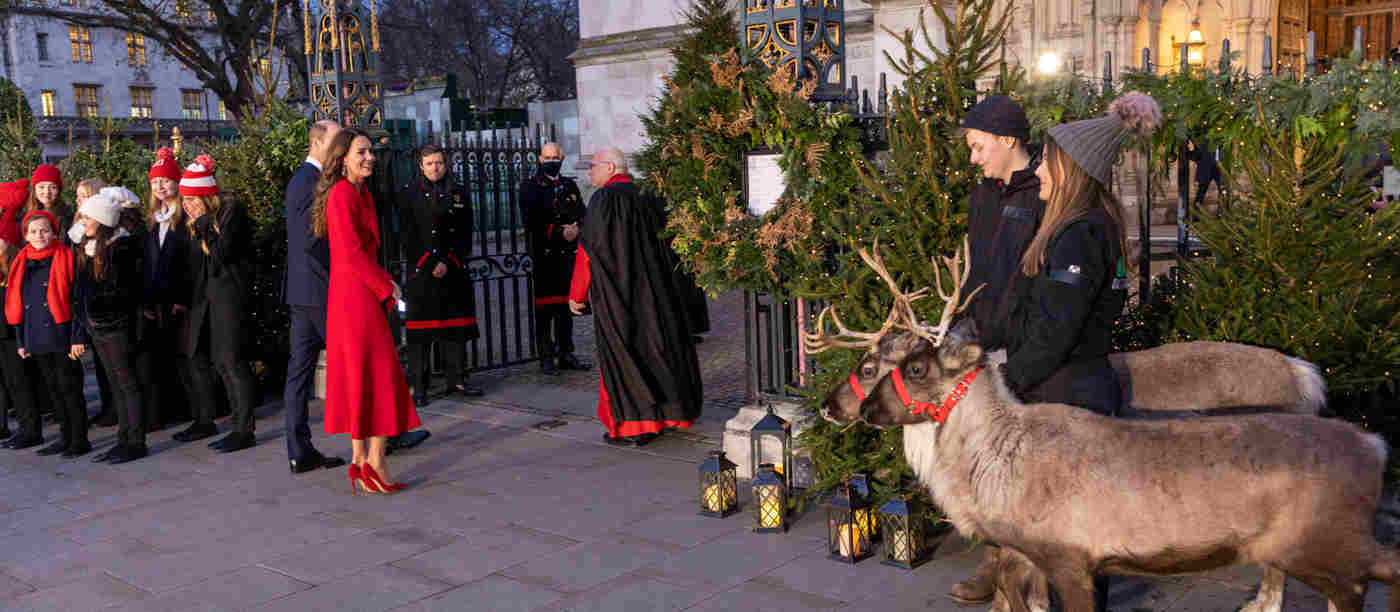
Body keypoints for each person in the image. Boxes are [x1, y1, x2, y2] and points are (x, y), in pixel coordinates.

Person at [999, 94, 1157, 416]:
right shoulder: (1090, 226)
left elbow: (1056, 329)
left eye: (1046, 161)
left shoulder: (1079, 236)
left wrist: (1005, 383)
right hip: (1068, 392)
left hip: (1066, 401)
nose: (1038, 170)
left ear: (1070, 169)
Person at [947, 94, 1043, 605]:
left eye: (978, 145)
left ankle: (1016, 567)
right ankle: (993, 555)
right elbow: (977, 267)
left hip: (1023, 346)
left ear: (1008, 140)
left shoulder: (1044, 192)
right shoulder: (983, 194)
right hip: (980, 339)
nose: (974, 157)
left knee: (1017, 466)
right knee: (983, 457)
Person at [568, 147, 702, 447]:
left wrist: (577, 295)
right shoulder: (648, 195)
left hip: (620, 295)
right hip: (658, 293)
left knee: (625, 355)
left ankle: (635, 424)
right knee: (659, 351)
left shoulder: (603, 200)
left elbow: (589, 253)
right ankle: (669, 415)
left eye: (594, 166)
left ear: (611, 167)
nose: (590, 172)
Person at [314, 128, 419, 493]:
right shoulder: (343, 194)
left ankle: (362, 461)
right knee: (379, 375)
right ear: (342, 158)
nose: (369, 157)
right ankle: (375, 460)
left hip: (354, 294)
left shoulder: (357, 192)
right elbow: (351, 254)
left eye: (371, 151)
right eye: (361, 151)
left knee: (363, 376)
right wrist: (387, 285)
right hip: (356, 297)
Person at [281, 120, 351, 474]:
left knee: (300, 372)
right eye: (339, 140)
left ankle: (299, 450)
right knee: (351, 362)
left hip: (301, 289)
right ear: (320, 142)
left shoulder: (302, 180)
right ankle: (378, 435)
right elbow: (312, 242)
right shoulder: (310, 182)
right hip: (319, 290)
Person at [177, 155, 260, 453]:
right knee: (221, 363)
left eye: (192, 199)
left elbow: (222, 253)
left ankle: (244, 428)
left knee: (233, 362)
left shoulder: (229, 213)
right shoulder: (197, 223)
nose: (187, 205)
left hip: (230, 297)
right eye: (184, 199)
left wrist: (201, 225)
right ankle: (236, 423)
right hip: (209, 301)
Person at [398, 143, 482, 402]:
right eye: (430, 163)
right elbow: (406, 234)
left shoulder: (459, 192)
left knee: (455, 332)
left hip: (452, 270)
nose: (436, 168)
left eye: (440, 163)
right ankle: (419, 387)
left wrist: (449, 260)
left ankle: (456, 380)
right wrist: (429, 263)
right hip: (422, 273)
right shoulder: (408, 193)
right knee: (421, 336)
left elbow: (466, 231)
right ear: (421, 166)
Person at [73, 190, 148, 464]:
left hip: (117, 326)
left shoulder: (121, 248)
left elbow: (124, 291)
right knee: (116, 384)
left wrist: (99, 305)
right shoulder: (89, 247)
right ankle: (123, 437)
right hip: (98, 327)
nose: (82, 221)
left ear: (102, 220)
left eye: (87, 217)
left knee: (127, 383)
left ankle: (136, 441)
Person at [8, 211, 89, 458]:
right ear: (25, 235)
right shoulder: (22, 261)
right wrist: (22, 340)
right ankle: (65, 437)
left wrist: (77, 337)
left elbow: (78, 301)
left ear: (54, 232)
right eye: (33, 231)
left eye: (44, 230)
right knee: (53, 390)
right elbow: (18, 304)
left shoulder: (66, 257)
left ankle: (79, 439)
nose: (39, 235)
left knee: (70, 388)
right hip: (36, 335)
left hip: (62, 334)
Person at [519, 142, 588, 375]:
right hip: (545, 256)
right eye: (547, 157)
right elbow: (530, 221)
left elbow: (581, 212)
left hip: (567, 257)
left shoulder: (569, 184)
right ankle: (546, 356)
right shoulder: (530, 186)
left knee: (564, 309)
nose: (551, 160)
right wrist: (558, 232)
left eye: (555, 157)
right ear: (540, 159)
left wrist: (577, 227)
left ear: (562, 157)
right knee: (545, 310)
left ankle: (566, 353)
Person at [143, 147, 197, 436]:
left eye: (165, 181)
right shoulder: (154, 217)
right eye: (155, 182)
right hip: (159, 298)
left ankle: (193, 408)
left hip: (178, 300)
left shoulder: (183, 216)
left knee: (184, 357)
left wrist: (181, 297)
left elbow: (188, 264)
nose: (160, 186)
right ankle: (172, 408)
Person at [1186, 136, 1221, 211]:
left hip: (1220, 168)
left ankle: (1223, 214)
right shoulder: (1204, 141)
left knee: (1224, 191)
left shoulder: (1225, 139)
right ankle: (1196, 217)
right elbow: (1196, 157)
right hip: (1206, 169)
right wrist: (1192, 150)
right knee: (1200, 193)